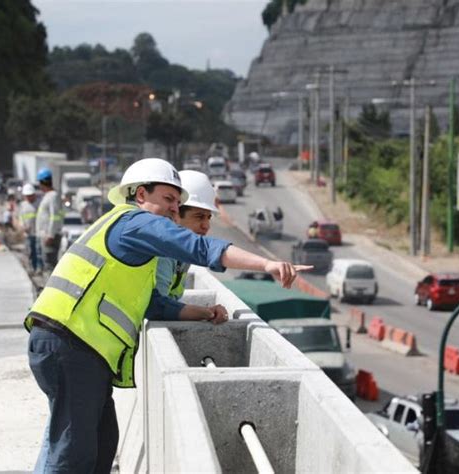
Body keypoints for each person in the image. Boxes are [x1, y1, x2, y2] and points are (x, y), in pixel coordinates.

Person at [25, 158, 311, 473]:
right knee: (71, 455)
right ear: (139, 194)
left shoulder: (132, 237)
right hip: (71, 344)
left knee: (101, 444)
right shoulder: (136, 223)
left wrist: (202, 313)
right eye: (167, 199)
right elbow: (200, 248)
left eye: (177, 202)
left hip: (80, 350)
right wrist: (267, 264)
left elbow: (154, 304)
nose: (173, 209)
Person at [155, 170, 219, 300]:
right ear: (175, 214)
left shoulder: (181, 252)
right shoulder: (162, 253)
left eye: (208, 218)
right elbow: (159, 308)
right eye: (199, 217)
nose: (206, 226)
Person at [35, 168, 63, 274]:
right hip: (46, 236)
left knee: (49, 265)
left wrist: (50, 235)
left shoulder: (52, 196)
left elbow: (54, 216)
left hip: (50, 237)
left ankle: (50, 289)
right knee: (47, 264)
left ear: (42, 182)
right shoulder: (48, 196)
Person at [18, 183, 41, 273]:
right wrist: (23, 226)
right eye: (27, 196)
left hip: (38, 232)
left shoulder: (39, 203)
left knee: (39, 251)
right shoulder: (23, 205)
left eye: (30, 195)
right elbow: (21, 217)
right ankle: (33, 267)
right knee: (31, 251)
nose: (29, 198)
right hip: (28, 233)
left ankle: (39, 268)